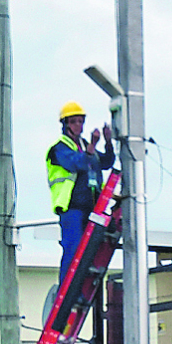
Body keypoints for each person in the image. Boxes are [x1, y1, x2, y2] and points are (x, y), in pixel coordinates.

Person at [46, 101, 115, 281]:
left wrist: (108, 142)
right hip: (72, 208)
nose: (78, 125)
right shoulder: (58, 148)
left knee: (91, 252)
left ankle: (81, 289)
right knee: (73, 249)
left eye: (81, 121)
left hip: (92, 208)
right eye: (74, 121)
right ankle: (66, 289)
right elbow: (77, 163)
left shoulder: (85, 146)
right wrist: (92, 145)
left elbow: (105, 162)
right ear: (65, 124)